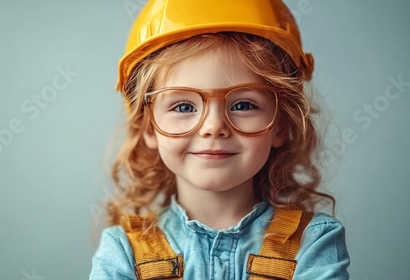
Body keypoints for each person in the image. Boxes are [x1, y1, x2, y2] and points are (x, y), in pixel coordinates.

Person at [90, 0, 350, 279]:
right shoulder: (122, 250)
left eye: (243, 105)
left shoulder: (314, 242)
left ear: (281, 125)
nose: (214, 127)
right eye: (184, 107)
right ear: (149, 127)